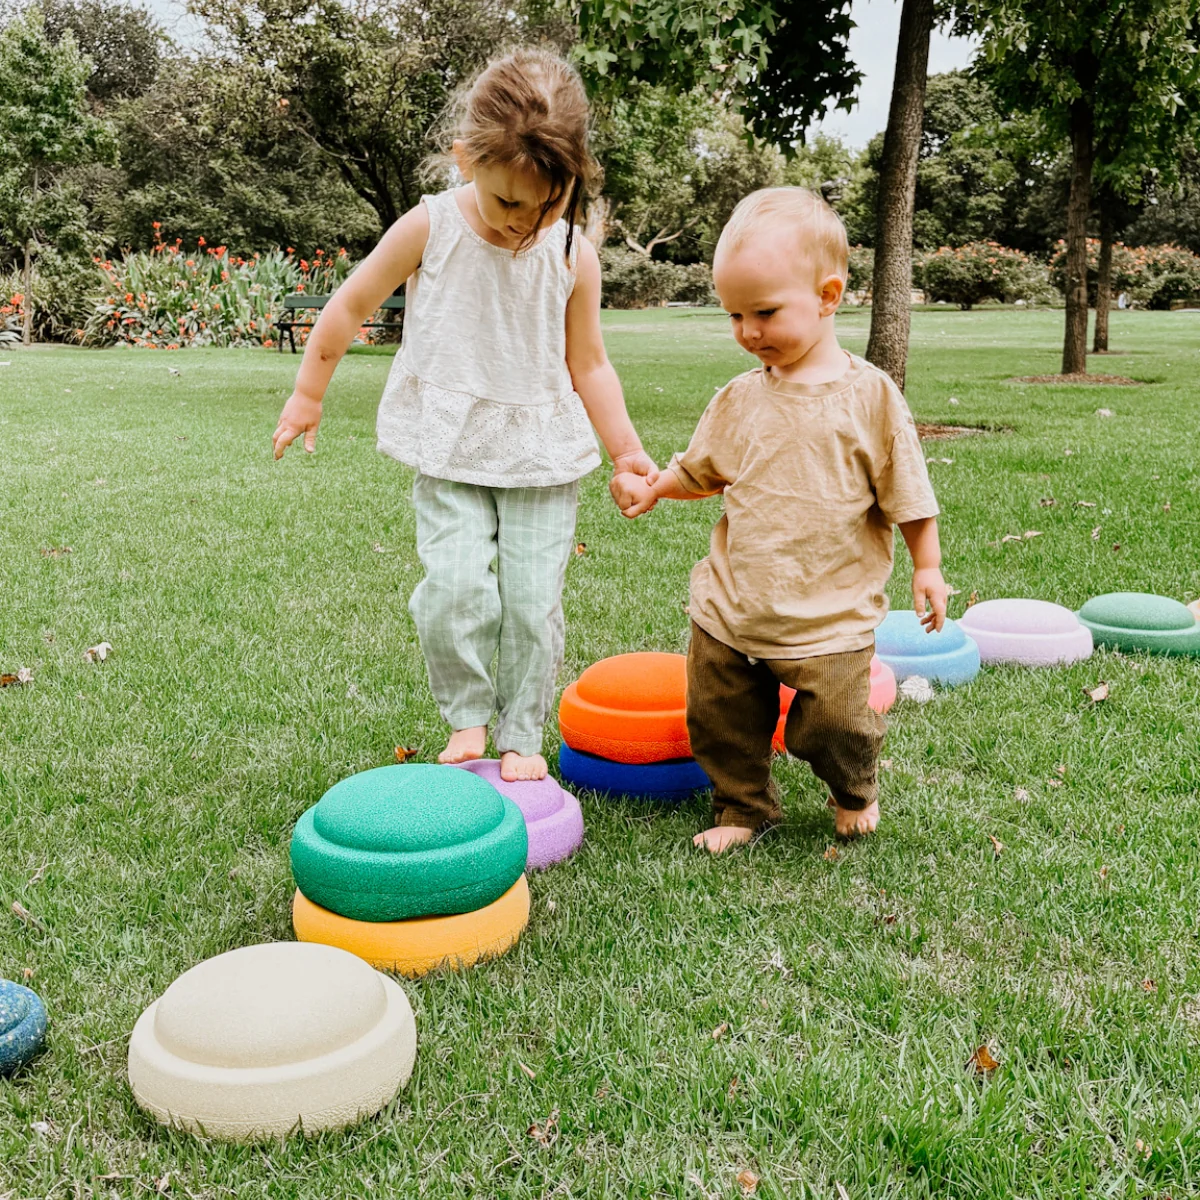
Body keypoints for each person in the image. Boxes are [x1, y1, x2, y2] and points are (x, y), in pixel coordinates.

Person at [273, 48, 653, 783]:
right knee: (453, 590)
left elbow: (591, 363)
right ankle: (468, 717)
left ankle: (521, 732)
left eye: (546, 204)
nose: (524, 222)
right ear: (464, 159)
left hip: (540, 451)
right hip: (450, 447)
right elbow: (351, 304)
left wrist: (627, 450)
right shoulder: (431, 227)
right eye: (509, 202)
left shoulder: (573, 253)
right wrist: (307, 393)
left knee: (531, 603)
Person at [611, 188, 947, 852]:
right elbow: (701, 470)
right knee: (719, 717)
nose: (748, 332)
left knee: (836, 726)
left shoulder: (871, 397)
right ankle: (743, 807)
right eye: (734, 315)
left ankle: (853, 789)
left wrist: (927, 566)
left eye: (764, 312)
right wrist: (657, 489)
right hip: (735, 606)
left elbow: (908, 491)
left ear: (828, 296)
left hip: (831, 613)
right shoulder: (740, 398)